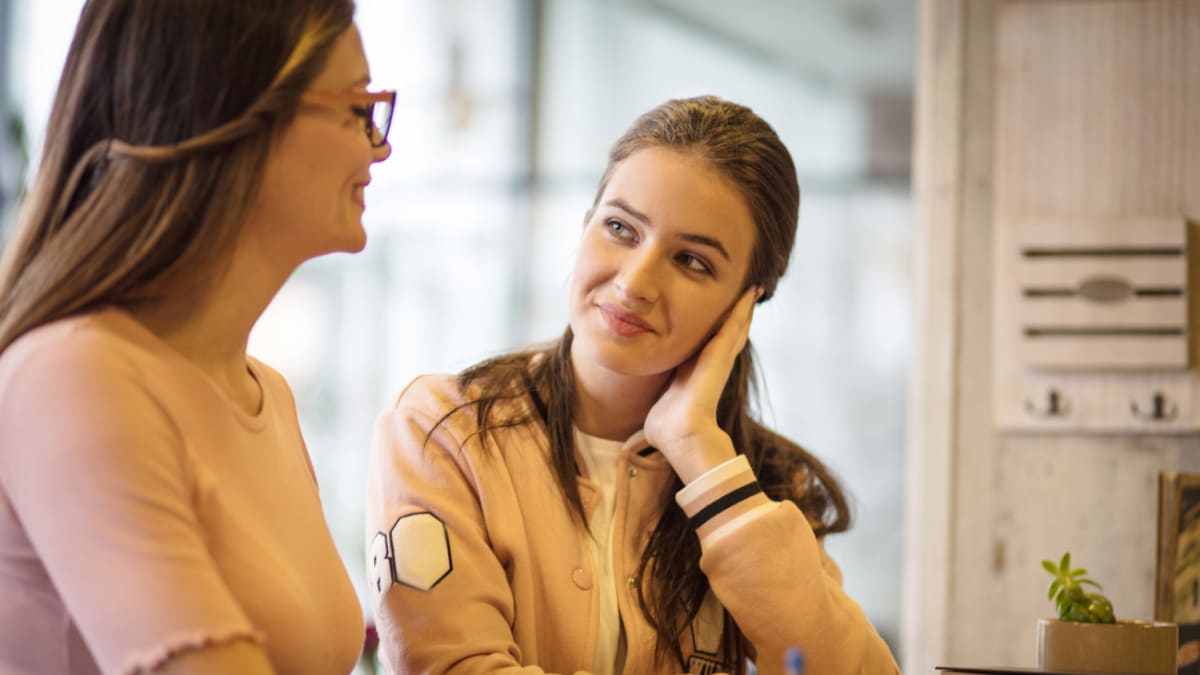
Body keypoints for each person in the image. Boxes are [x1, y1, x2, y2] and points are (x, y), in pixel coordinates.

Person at [365, 96, 898, 674]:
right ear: (585, 224)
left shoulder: (758, 484)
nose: (635, 281)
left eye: (692, 261)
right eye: (620, 227)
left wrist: (700, 451)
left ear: (747, 303)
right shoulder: (445, 430)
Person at [0, 1, 393, 673]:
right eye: (358, 108)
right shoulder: (75, 375)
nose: (377, 144)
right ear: (237, 115)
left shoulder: (266, 393)